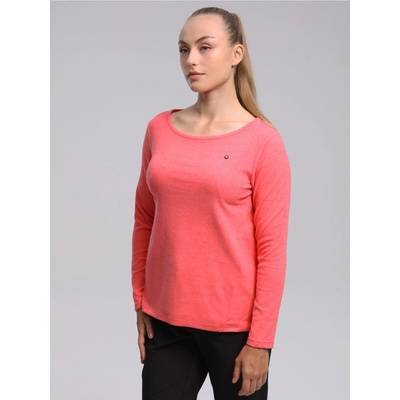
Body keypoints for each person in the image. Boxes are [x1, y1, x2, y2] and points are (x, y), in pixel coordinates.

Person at [131, 6, 291, 400]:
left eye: (205, 47)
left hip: (235, 331)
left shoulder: (263, 142)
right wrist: (140, 300)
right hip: (166, 322)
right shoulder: (159, 129)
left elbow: (271, 249)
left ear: (236, 54)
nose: (191, 60)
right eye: (184, 49)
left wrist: (261, 341)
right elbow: (145, 218)